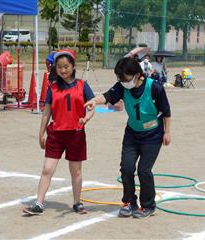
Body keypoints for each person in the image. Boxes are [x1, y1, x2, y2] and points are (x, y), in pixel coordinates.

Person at [85, 57, 171, 219]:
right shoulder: (122, 87)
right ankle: (130, 202)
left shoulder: (155, 88)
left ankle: (148, 205)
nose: (122, 81)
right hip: (132, 133)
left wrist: (167, 132)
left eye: (125, 77)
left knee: (144, 170)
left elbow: (166, 112)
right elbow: (108, 96)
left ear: (137, 75)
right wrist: (94, 101)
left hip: (153, 135)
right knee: (126, 167)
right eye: (119, 78)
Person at [23, 49, 95, 216]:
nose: (63, 70)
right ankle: (39, 203)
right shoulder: (53, 88)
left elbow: (91, 107)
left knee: (75, 170)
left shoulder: (83, 85)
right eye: (60, 67)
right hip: (56, 134)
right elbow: (46, 113)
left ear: (73, 66)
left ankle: (77, 202)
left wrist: (86, 118)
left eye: (66, 66)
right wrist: (41, 133)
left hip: (76, 134)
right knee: (47, 169)